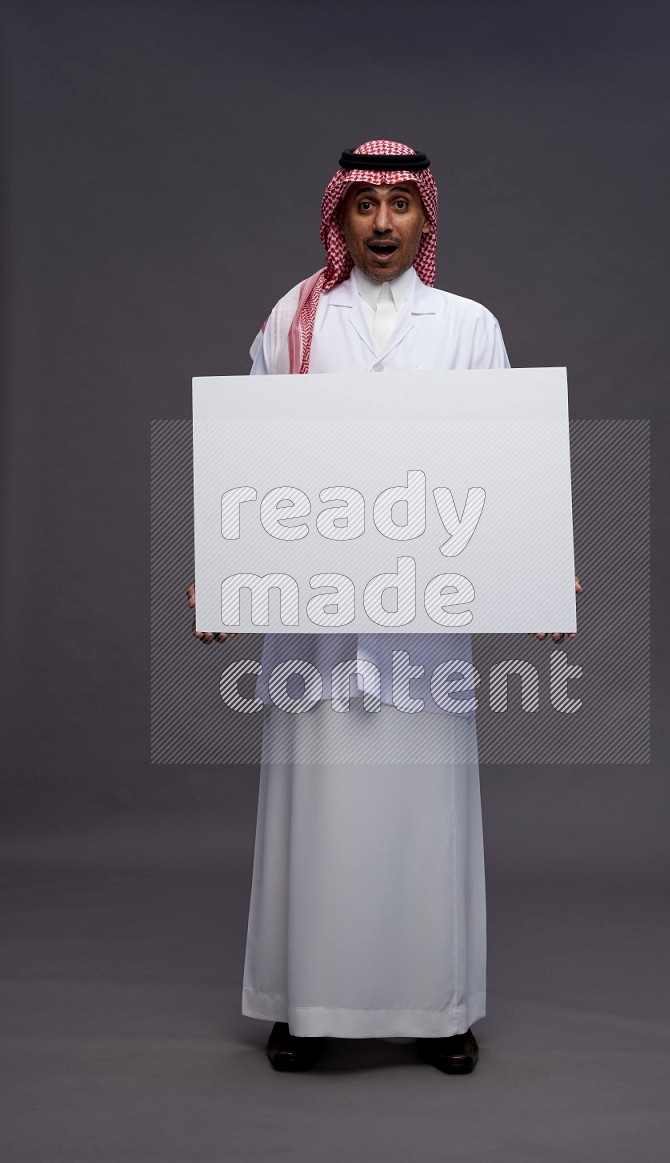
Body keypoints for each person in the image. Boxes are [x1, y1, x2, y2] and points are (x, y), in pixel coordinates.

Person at [187, 140, 574, 1073]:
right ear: (341, 218)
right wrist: (224, 569)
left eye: (402, 205)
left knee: (422, 810)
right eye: (366, 206)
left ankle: (441, 1008)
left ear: (427, 220)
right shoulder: (295, 319)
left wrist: (540, 569)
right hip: (316, 620)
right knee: (316, 808)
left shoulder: (467, 326)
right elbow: (254, 455)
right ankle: (301, 1004)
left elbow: (505, 462)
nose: (384, 223)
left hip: (420, 621)